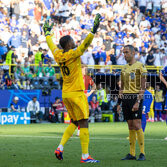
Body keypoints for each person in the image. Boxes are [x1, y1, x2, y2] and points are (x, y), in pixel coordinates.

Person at [44, 14, 101, 163]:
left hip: (66, 93)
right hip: (76, 93)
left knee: (74, 122)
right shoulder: (74, 54)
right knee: (84, 122)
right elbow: (85, 44)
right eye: (72, 41)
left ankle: (60, 147)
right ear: (68, 44)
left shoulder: (57, 54)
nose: (75, 42)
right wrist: (93, 30)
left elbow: (51, 45)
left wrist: (47, 33)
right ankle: (85, 156)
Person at [117, 45, 147, 161]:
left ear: (133, 53)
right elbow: (122, 87)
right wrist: (119, 103)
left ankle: (142, 153)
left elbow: (143, 86)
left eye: (127, 52)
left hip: (135, 98)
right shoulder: (123, 68)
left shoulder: (140, 66)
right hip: (125, 98)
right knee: (130, 125)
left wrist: (138, 101)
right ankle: (132, 154)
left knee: (137, 125)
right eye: (123, 53)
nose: (125, 55)